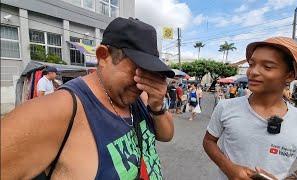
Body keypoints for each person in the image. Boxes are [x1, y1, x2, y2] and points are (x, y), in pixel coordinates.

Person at [1, 17, 175, 179]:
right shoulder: (58, 110)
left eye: (150, 73)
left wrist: (157, 106)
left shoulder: (139, 97)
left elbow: (166, 135)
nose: (142, 82)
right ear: (103, 56)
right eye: (137, 70)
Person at [203, 37, 297, 180]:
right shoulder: (225, 107)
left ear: (289, 75)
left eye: (267, 67)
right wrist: (229, 168)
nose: (253, 72)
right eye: (251, 64)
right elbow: (209, 141)